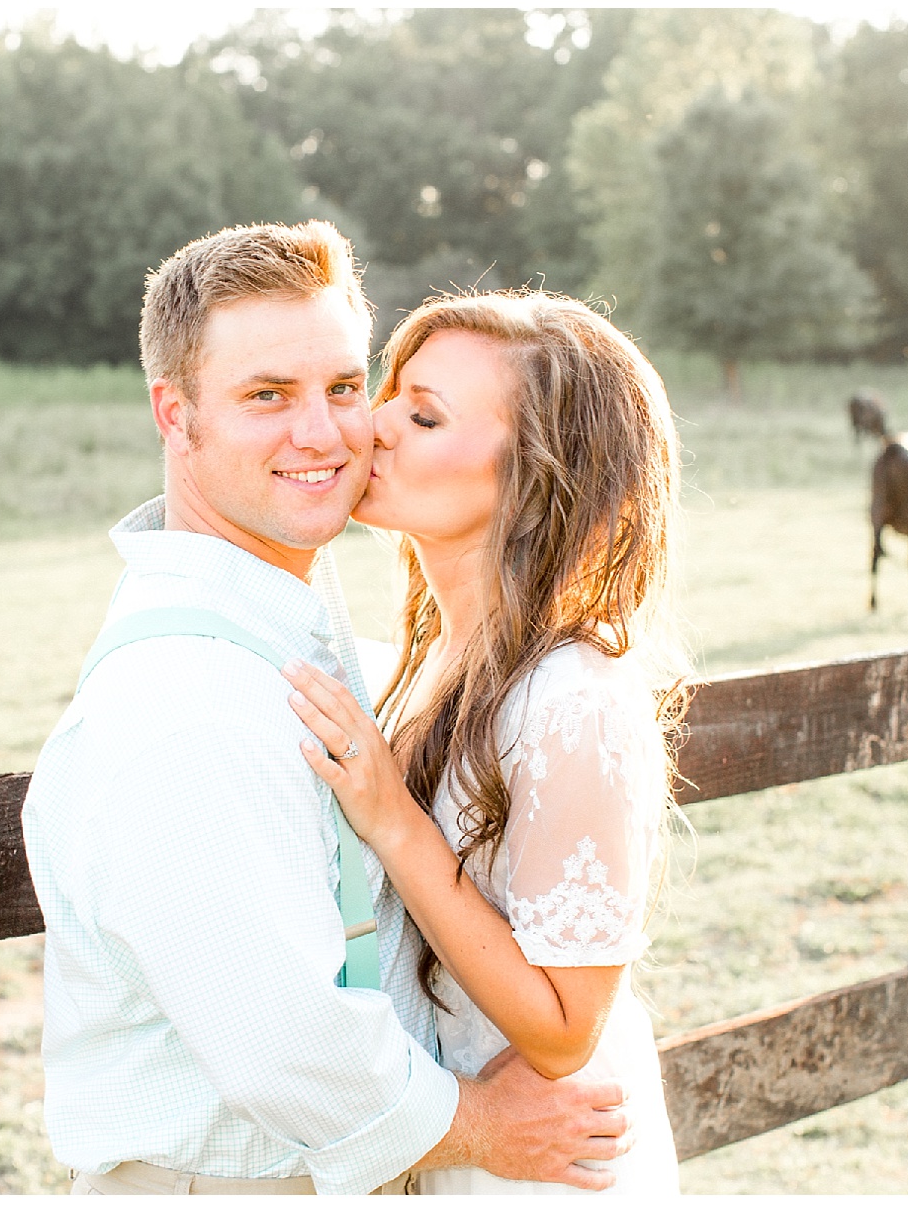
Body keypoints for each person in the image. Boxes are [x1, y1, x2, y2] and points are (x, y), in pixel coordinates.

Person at [20, 222, 634, 1196]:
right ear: (176, 415)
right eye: (268, 395)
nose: (328, 432)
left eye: (346, 387)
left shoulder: (313, 642)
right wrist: (486, 1125)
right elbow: (287, 1044)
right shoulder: (189, 705)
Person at [282, 290, 688, 1193]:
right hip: (465, 1135)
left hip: (546, 1162)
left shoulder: (571, 697)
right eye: (390, 394)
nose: (373, 425)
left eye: (423, 416)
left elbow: (565, 1029)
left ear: (535, 476)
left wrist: (393, 817)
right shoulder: (432, 656)